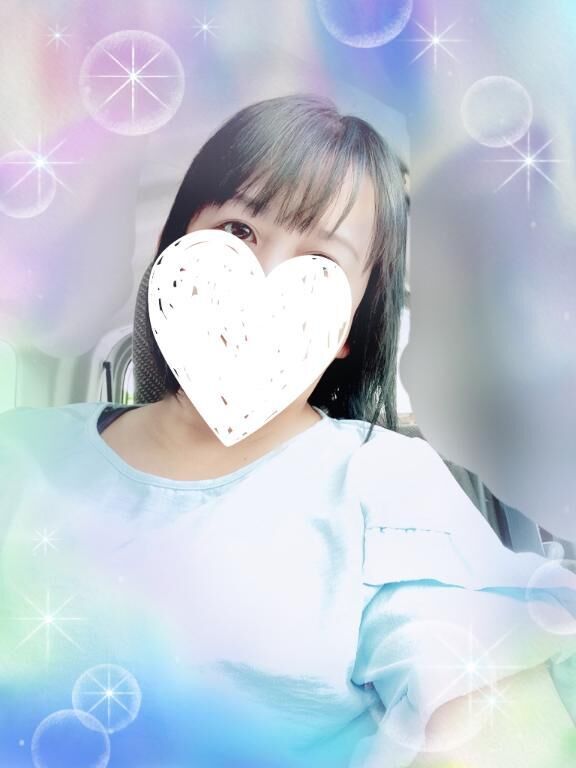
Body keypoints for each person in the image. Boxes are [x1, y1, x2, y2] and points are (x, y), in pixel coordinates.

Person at [1, 94, 575, 768]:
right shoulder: (22, 451)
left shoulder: (389, 486)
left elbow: (502, 728)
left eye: (321, 264)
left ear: (348, 330)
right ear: (172, 250)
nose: (260, 282)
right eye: (239, 230)